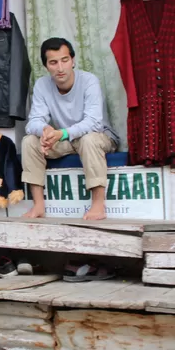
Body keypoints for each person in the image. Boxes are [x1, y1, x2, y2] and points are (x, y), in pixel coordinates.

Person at [22, 37, 120, 220]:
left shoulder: (89, 81)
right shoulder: (42, 85)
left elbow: (94, 122)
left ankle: (98, 206)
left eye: (64, 60)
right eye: (53, 62)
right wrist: (45, 130)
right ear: (46, 66)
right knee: (29, 141)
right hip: (66, 139)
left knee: (88, 139)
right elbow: (33, 121)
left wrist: (62, 133)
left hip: (98, 136)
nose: (60, 68)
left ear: (73, 60)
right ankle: (38, 206)